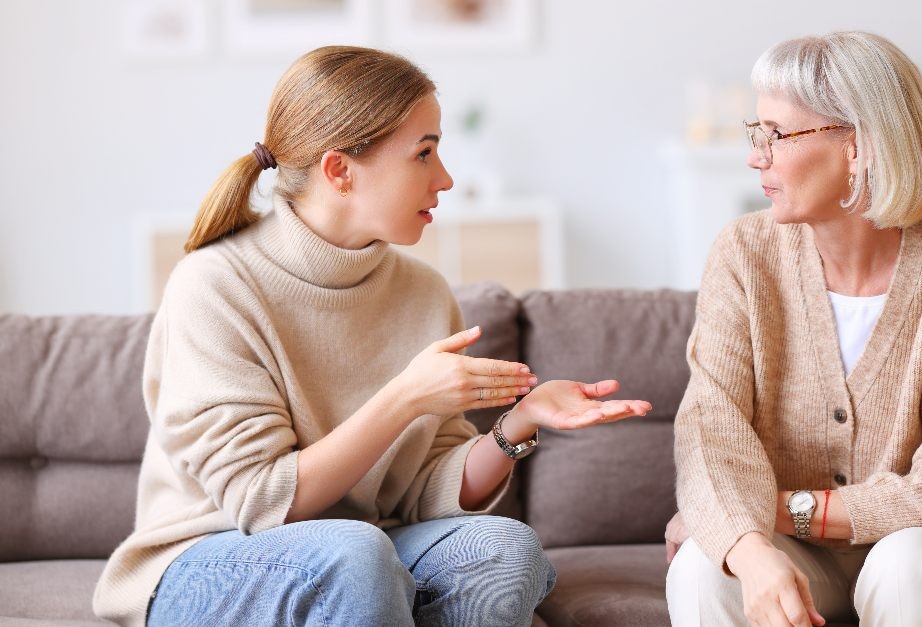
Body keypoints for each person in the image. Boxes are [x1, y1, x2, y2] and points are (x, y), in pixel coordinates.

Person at [92, 45, 651, 627]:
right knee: (357, 557)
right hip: (208, 557)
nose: (446, 178)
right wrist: (405, 397)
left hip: (367, 553)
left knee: (501, 550)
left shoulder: (423, 292)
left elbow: (422, 493)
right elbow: (261, 504)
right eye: (424, 153)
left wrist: (521, 421)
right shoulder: (213, 287)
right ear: (340, 171)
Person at [664, 32, 922, 627]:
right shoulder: (744, 252)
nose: (754, 156)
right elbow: (711, 429)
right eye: (754, 131)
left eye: (777, 134)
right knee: (703, 566)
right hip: (805, 557)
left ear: (858, 146)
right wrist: (747, 547)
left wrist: (768, 510)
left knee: (903, 565)